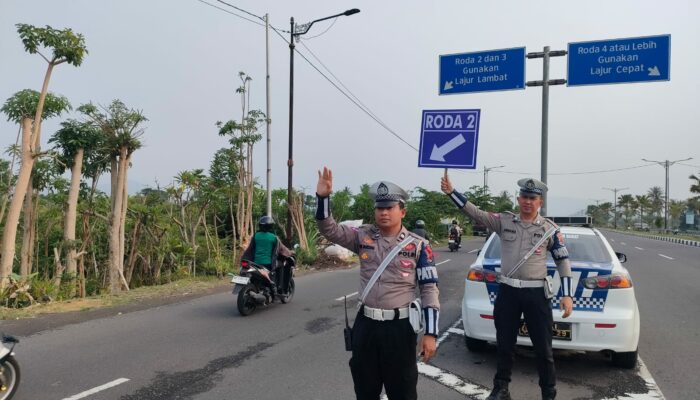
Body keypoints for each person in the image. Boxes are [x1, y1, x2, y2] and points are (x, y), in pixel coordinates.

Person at [441, 171, 573, 400]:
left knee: (543, 349)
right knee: (504, 344)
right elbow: (476, 213)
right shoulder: (504, 221)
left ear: (540, 202)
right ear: (518, 198)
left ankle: (548, 393)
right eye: (524, 197)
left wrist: (567, 295)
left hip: (536, 294)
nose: (528, 201)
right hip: (508, 292)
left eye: (533, 198)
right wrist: (452, 193)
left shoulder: (550, 230)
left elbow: (563, 261)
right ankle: (501, 388)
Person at [316, 167, 439, 400]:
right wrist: (323, 198)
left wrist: (431, 333)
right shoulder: (362, 237)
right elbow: (330, 230)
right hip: (366, 325)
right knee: (364, 389)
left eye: (389, 208)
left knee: (402, 390)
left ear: (402, 211)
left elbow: (429, 289)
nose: (383, 213)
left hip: (400, 329)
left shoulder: (419, 246)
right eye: (379, 208)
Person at [241, 216, 294, 295]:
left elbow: (250, 248)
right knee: (282, 265)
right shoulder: (273, 238)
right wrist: (291, 252)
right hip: (268, 264)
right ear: (270, 226)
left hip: (255, 263)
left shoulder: (256, 236)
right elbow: (282, 249)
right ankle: (278, 286)